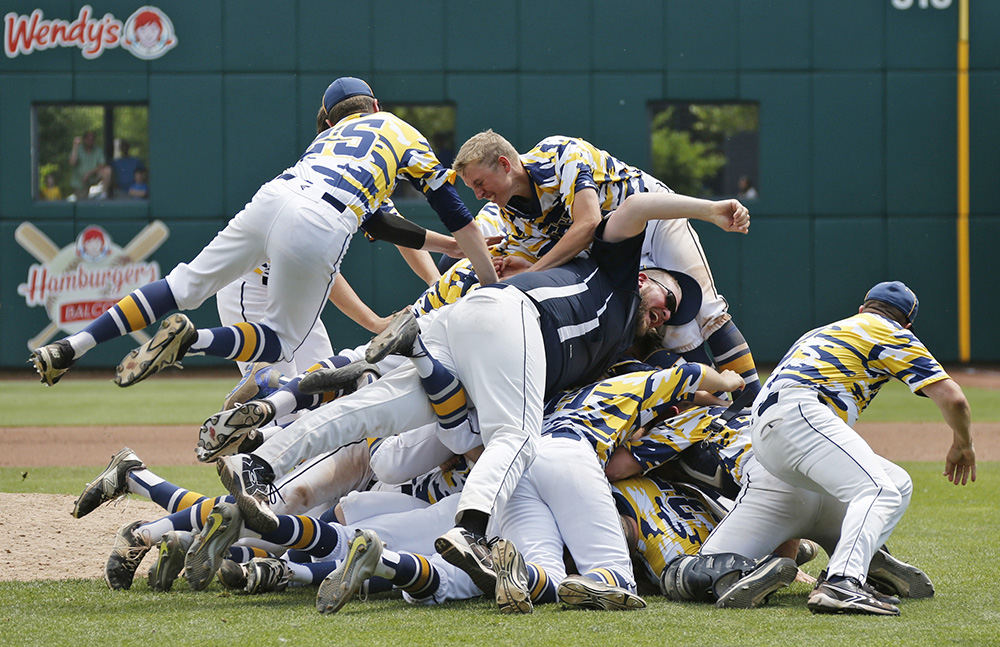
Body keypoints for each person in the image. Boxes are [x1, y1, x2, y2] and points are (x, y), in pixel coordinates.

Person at [214, 190, 748, 597]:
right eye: (665, 294)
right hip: (517, 323)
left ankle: (262, 462)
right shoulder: (615, 270)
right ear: (646, 273)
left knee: (373, 413)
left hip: (474, 330)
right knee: (514, 438)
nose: (663, 311)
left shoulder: (616, 356)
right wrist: (710, 209)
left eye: (669, 317)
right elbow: (635, 206)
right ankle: (470, 529)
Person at [29, 77, 498, 388]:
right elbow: (454, 209)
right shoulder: (399, 130)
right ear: (376, 105)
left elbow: (381, 221)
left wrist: (448, 246)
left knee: (183, 284)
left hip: (274, 197)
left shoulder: (326, 141)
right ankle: (193, 341)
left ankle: (74, 345)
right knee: (280, 341)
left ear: (332, 120)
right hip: (318, 222)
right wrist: (490, 284)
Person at [453, 130, 761, 398]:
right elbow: (556, 262)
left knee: (707, 311)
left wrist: (530, 272)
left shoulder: (559, 153)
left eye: (480, 183)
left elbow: (587, 223)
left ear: (505, 165)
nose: (479, 194)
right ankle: (715, 417)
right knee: (669, 334)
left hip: (652, 223)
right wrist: (518, 270)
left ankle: (751, 408)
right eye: (473, 189)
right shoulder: (511, 218)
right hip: (614, 251)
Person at [744, 280, 975, 615]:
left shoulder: (824, 330)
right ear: (907, 325)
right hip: (799, 414)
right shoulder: (891, 332)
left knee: (895, 481)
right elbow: (955, 400)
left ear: (862, 308)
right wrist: (963, 445)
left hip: (766, 436)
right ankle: (843, 583)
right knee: (881, 490)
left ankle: (841, 572)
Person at [69, 130, 110, 201]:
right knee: (82, 203)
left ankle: (103, 195)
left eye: (92, 139)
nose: (90, 141)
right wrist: (75, 146)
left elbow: (102, 165)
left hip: (94, 179)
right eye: (88, 139)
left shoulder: (98, 150)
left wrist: (89, 173)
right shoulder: (78, 149)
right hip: (80, 182)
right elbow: (72, 163)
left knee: (107, 170)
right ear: (84, 140)